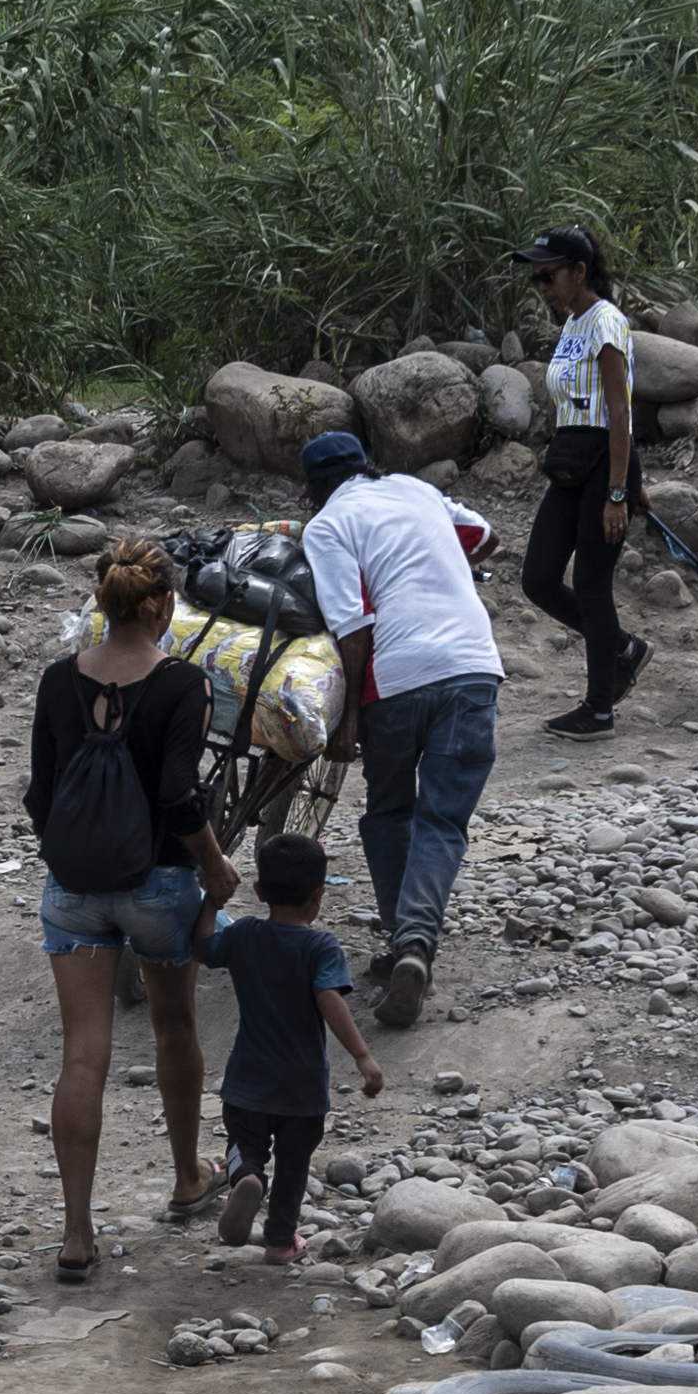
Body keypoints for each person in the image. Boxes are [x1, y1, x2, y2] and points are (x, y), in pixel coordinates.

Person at [23, 533, 223, 1278]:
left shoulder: (56, 680)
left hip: (73, 891)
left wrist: (70, 854)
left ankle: (76, 1237)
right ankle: (187, 1178)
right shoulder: (182, 683)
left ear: (102, 604)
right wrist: (215, 862)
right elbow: (178, 795)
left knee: (82, 1057)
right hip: (161, 884)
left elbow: (41, 795)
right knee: (176, 1028)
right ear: (163, 604)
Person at [296, 423, 506, 1028]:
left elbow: (353, 627)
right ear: (366, 465)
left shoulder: (329, 525)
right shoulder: (416, 491)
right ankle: (413, 946)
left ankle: (405, 944)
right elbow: (485, 536)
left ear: (313, 490)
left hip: (396, 677)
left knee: (389, 812)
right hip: (471, 667)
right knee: (441, 819)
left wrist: (349, 719)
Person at [204, 827, 387, 1263]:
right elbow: (328, 999)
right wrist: (363, 1057)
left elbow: (201, 949)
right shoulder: (320, 945)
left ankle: (245, 1176)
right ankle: (279, 1242)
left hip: (248, 1080)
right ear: (319, 895)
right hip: (302, 1088)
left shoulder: (244, 934)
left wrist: (211, 901)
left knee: (244, 1143)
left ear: (259, 890)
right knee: (293, 1164)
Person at [517, 224, 654, 731]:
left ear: (579, 271)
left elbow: (619, 413)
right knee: (538, 578)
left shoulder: (605, 323)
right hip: (574, 462)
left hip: (605, 463)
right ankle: (619, 644)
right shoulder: (573, 324)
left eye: (548, 276)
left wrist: (620, 490)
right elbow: (580, 403)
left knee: (593, 586)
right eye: (536, 279)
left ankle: (599, 708)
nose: (542, 288)